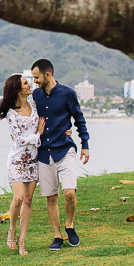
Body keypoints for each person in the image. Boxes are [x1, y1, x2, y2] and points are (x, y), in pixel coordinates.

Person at [31, 59, 90, 250]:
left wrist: (85, 145)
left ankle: (69, 225)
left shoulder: (67, 94)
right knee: (51, 197)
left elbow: (79, 119)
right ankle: (57, 236)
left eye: (37, 77)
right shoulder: (35, 96)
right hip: (44, 154)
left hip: (65, 150)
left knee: (69, 193)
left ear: (48, 74)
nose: (35, 81)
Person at [0, 74, 45, 256]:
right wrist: (37, 135)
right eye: (26, 83)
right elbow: (19, 139)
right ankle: (12, 230)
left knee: (29, 199)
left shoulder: (34, 104)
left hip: (33, 160)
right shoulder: (11, 113)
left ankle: (22, 239)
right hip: (16, 160)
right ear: (17, 89)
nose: (29, 84)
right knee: (18, 198)